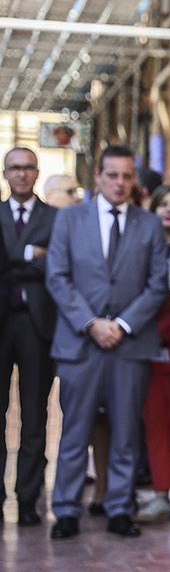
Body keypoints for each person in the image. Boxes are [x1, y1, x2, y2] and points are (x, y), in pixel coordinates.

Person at [44, 145, 168, 538]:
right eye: (112, 175)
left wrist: (125, 324)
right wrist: (92, 323)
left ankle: (118, 507)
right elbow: (57, 277)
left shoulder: (149, 225)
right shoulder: (69, 220)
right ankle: (65, 509)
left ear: (134, 180)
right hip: (81, 343)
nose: (119, 183)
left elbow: (157, 283)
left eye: (127, 176)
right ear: (97, 177)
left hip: (129, 345)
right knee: (74, 430)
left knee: (126, 430)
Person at [0, 146, 58, 526]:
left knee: (35, 415)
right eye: (14, 168)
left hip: (39, 325)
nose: (21, 174)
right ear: (6, 174)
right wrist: (31, 257)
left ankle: (27, 498)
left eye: (28, 168)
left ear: (37, 173)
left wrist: (17, 262)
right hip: (2, 321)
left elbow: (57, 262)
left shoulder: (56, 218)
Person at [138, 185, 170, 522]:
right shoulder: (142, 245)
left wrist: (164, 331)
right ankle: (160, 491)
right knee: (154, 421)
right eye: (164, 205)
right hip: (144, 344)